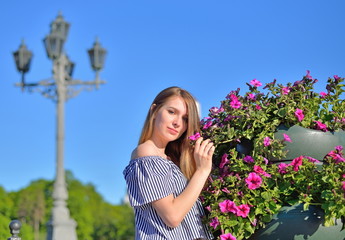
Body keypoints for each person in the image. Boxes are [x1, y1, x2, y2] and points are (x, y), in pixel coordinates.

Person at [123, 86, 215, 240]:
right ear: (154, 111)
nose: (177, 123)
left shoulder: (170, 159)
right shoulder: (146, 153)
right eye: (172, 112)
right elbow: (172, 216)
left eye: (185, 119)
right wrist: (202, 171)